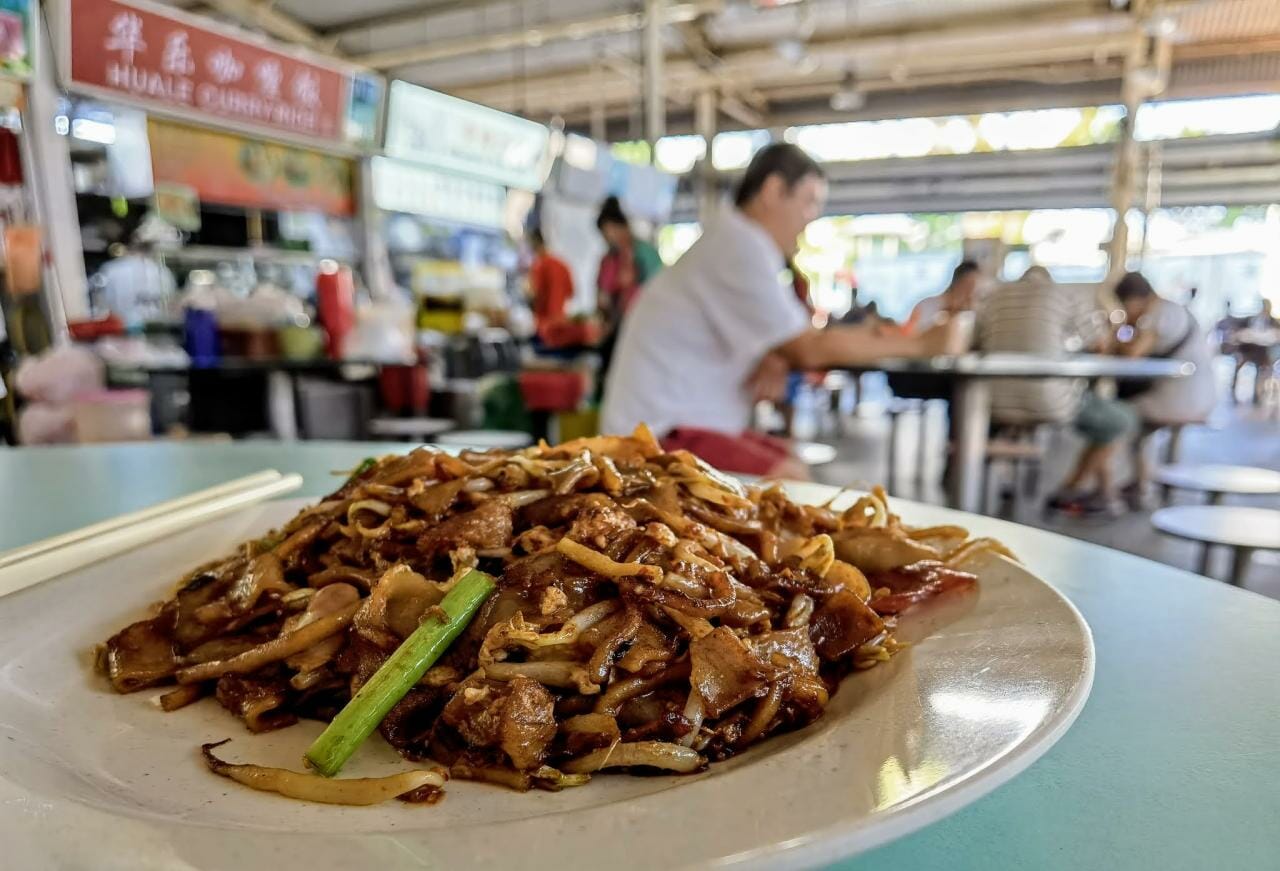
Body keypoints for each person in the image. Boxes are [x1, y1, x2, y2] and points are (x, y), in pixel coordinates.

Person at [601, 143, 959, 478]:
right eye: (808, 201)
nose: (810, 218)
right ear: (773, 190)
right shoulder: (738, 245)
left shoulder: (731, 241)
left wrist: (774, 354)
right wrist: (920, 344)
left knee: (791, 461)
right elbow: (809, 347)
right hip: (656, 438)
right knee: (791, 479)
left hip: (680, 424)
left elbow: (786, 340)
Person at [1049, 271, 1215, 514]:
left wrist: (1119, 327)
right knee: (1120, 419)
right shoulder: (1166, 311)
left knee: (1112, 421)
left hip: (1180, 397)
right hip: (1176, 393)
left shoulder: (1162, 313)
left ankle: (1092, 490)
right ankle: (1129, 487)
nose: (1127, 312)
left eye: (1126, 306)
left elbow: (1133, 352)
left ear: (1136, 300)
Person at [903, 260, 980, 335]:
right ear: (958, 283)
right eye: (970, 286)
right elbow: (909, 336)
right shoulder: (927, 306)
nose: (972, 294)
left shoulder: (964, 317)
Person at [526, 228, 575, 345]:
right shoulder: (563, 264)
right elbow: (571, 292)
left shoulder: (539, 266)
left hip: (544, 326)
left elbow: (535, 295)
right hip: (561, 323)